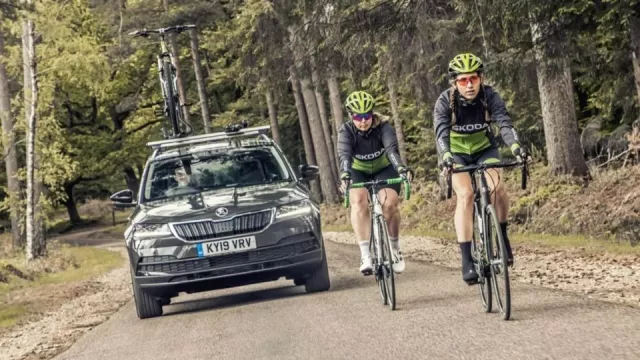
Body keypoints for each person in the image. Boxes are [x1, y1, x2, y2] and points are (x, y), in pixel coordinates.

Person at [434, 53, 530, 284]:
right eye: (463, 80)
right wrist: (446, 156)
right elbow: (441, 133)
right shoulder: (445, 101)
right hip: (455, 153)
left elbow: (504, 124)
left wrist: (516, 147)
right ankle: (467, 260)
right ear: (454, 83)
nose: (469, 85)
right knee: (466, 195)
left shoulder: (490, 96)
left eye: (474, 79)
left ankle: (503, 237)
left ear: (481, 78)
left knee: (497, 188)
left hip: (484, 148)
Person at [337, 90, 413, 275]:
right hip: (358, 171)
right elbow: (345, 155)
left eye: (367, 115)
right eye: (358, 117)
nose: (363, 121)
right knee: (359, 202)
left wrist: (401, 168)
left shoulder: (384, 127)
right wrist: (345, 174)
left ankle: (394, 249)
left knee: (390, 204)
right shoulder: (346, 131)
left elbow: (391, 150)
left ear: (373, 113)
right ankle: (365, 255)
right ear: (351, 116)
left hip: (384, 168)